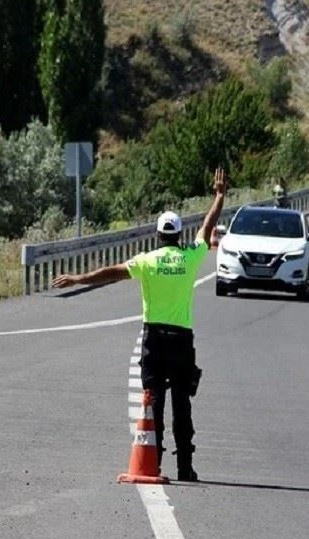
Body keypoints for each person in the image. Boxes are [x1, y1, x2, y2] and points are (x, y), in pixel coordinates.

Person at [52, 167, 226, 481]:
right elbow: (207, 227)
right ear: (178, 235)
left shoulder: (146, 261)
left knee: (154, 401)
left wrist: (78, 278)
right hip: (182, 339)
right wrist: (219, 196)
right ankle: (185, 467)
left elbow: (110, 272)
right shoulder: (190, 257)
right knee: (182, 404)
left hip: (154, 339)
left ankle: (153, 464)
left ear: (158, 235)